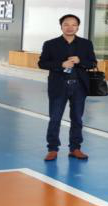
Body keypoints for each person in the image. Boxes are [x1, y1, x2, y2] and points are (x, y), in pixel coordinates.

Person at [39, 14, 97, 161]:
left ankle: (75, 148)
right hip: (58, 86)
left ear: (78, 27)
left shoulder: (86, 44)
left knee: (77, 118)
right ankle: (52, 149)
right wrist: (61, 64)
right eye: (66, 24)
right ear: (61, 26)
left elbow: (93, 63)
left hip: (79, 86)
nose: (70, 27)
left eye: (73, 24)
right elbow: (42, 63)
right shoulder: (50, 44)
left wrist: (80, 60)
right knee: (55, 118)